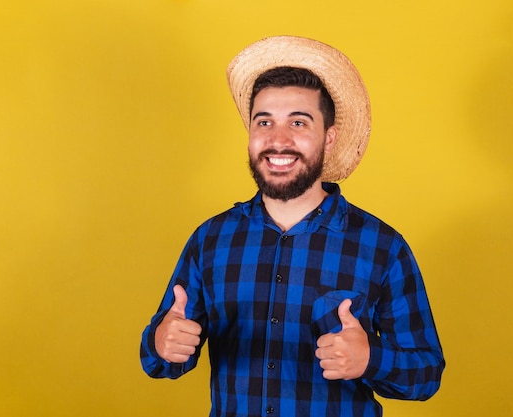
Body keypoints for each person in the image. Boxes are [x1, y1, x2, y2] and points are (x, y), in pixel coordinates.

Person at [140, 35, 445, 417]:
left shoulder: (382, 246)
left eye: (298, 122)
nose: (278, 140)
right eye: (263, 121)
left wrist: (371, 359)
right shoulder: (211, 240)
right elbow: (160, 359)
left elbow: (427, 374)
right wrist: (161, 343)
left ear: (329, 138)